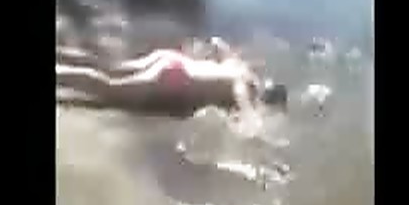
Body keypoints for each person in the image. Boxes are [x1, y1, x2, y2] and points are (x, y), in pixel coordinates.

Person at [56, 37, 288, 121]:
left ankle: (62, 57)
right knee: (109, 88)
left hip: (173, 60)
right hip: (174, 77)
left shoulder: (241, 68)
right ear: (267, 100)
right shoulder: (245, 89)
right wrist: (252, 119)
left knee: (111, 70)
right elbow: (241, 98)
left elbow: (218, 43)